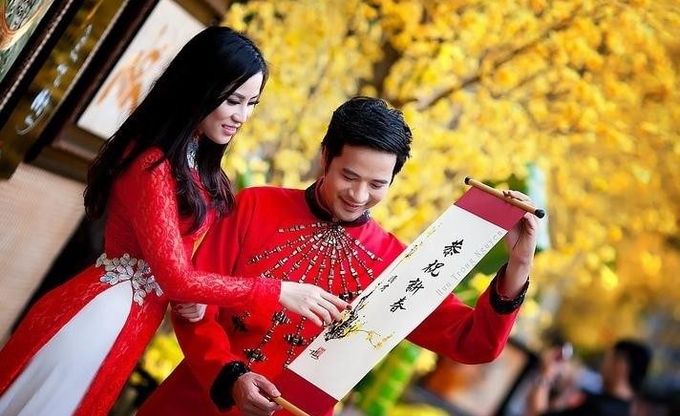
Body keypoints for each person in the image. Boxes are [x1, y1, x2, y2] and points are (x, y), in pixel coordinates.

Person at [0, 27, 346, 416]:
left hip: (131, 320)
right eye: (233, 100)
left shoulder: (194, 161)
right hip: (100, 316)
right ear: (198, 88)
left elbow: (175, 265)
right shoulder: (150, 163)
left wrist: (189, 297)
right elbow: (175, 275)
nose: (243, 116)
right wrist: (276, 291)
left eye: (252, 103)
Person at [138, 96, 540, 416]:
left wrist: (519, 265)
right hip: (196, 399)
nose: (359, 195)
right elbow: (194, 308)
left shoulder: (393, 263)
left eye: (377, 184)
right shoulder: (254, 205)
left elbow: (474, 344)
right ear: (325, 157)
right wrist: (231, 377)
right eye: (349, 176)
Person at [526, 339, 652, 416]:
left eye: (608, 358)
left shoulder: (598, 409)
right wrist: (568, 389)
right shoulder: (624, 410)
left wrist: (545, 375)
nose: (603, 365)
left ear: (620, 366)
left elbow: (536, 414)